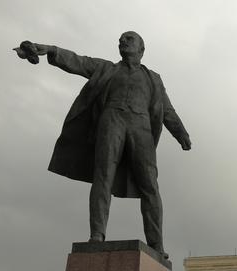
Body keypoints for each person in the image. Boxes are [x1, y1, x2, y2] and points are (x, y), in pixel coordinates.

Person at [15, 31, 191, 259]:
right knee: (103, 177)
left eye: (129, 39)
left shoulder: (153, 78)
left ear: (141, 49)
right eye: (121, 40)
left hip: (142, 127)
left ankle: (156, 245)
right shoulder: (107, 69)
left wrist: (181, 134)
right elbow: (77, 61)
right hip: (111, 121)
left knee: (150, 186)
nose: (123, 42)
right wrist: (50, 49)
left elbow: (167, 110)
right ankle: (97, 235)